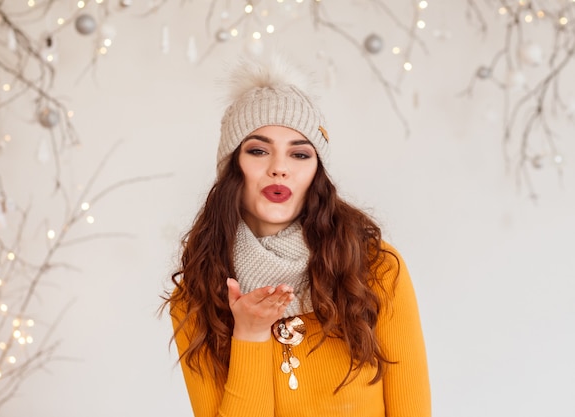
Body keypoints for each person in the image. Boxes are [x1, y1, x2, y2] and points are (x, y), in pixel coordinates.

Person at [162, 55, 431, 417]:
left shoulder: (375, 267)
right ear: (232, 167)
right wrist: (251, 333)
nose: (280, 168)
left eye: (300, 154)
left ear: (316, 173)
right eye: (258, 150)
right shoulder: (196, 292)